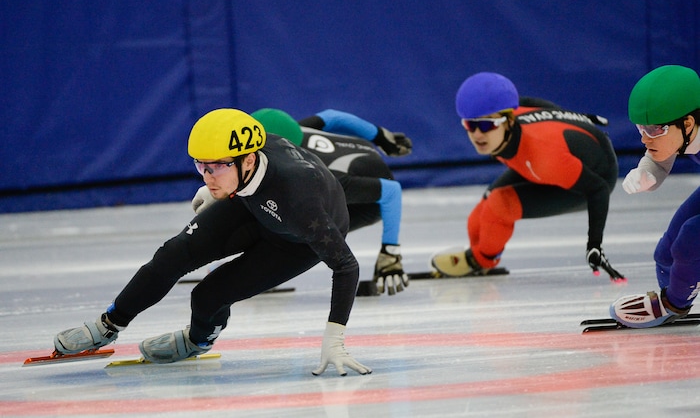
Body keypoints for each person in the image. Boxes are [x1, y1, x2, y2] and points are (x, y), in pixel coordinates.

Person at [53, 108, 371, 376]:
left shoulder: (301, 200)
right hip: (251, 204)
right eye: (200, 166)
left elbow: (346, 266)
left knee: (208, 296)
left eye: (215, 167)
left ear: (247, 161)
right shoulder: (244, 164)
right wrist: (219, 185)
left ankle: (197, 341)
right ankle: (108, 324)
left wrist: (334, 336)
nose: (207, 176)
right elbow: (234, 177)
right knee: (172, 255)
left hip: (293, 243)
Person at [192, 108, 412, 295]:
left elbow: (391, 192)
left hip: (367, 202)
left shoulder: (320, 177)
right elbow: (332, 116)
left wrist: (390, 252)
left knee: (289, 219)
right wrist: (381, 136)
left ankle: (260, 269)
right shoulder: (288, 134)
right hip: (359, 157)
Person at [431, 72, 625, 282]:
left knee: (498, 207)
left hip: (593, 178)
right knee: (477, 218)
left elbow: (598, 189)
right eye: (470, 125)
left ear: (509, 121)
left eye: (487, 125)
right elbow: (529, 103)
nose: (477, 134)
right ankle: (480, 254)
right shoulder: (507, 113)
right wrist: (575, 116)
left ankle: (482, 260)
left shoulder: (544, 156)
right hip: (553, 156)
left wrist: (594, 245)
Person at [610, 65, 700, 327]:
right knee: (666, 254)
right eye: (640, 128)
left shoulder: (682, 129)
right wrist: (646, 172)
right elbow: (660, 157)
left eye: (653, 129)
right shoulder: (683, 129)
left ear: (687, 123)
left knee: (690, 240)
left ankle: (673, 303)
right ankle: (671, 300)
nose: (645, 139)